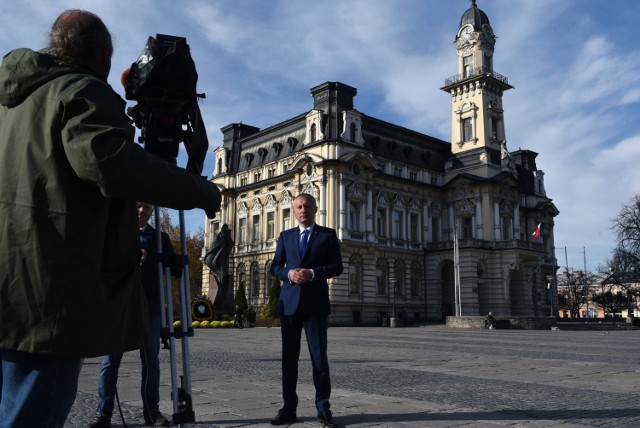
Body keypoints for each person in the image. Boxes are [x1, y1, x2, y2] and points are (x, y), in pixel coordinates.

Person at [0, 10, 221, 427]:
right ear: (103, 56)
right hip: (48, 293)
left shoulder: (12, 100)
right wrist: (199, 189)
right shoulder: (79, 90)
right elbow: (110, 165)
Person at [90, 202, 174, 427]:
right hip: (119, 306)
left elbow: (174, 267)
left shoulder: (160, 238)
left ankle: (151, 410)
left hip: (150, 306)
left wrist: (151, 258)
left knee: (151, 362)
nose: (141, 210)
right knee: (109, 361)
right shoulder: (114, 233)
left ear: (152, 211)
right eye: (137, 205)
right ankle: (103, 412)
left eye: (146, 207)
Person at [269, 193, 343, 428]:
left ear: (315, 209)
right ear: (294, 210)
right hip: (289, 305)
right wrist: (289, 274)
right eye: (299, 207)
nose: (303, 210)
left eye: (307, 206)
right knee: (289, 360)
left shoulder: (327, 235)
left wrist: (312, 273)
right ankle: (288, 408)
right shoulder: (286, 236)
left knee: (319, 359)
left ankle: (323, 408)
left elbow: (337, 266)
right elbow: (275, 267)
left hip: (315, 304)